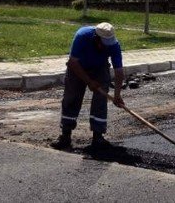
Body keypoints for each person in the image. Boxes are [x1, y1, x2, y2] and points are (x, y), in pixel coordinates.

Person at [51, 22, 125, 151]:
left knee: (101, 100)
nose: (106, 47)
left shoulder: (114, 45)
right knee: (72, 97)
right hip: (78, 67)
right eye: (103, 44)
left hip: (100, 68)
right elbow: (72, 62)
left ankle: (98, 137)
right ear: (96, 38)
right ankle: (65, 136)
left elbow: (119, 71)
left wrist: (117, 95)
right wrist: (89, 81)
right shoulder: (82, 36)